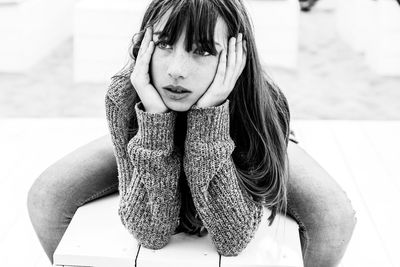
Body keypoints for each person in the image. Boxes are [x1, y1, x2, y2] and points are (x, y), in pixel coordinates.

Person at [27, 0, 356, 266]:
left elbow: (233, 238)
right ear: (144, 45)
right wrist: (154, 120)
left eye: (202, 50)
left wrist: (210, 119)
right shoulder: (125, 94)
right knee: (48, 194)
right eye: (165, 44)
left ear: (234, 56)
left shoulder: (262, 101)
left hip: (239, 136)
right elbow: (152, 233)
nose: (176, 70)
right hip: (145, 140)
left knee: (333, 217)